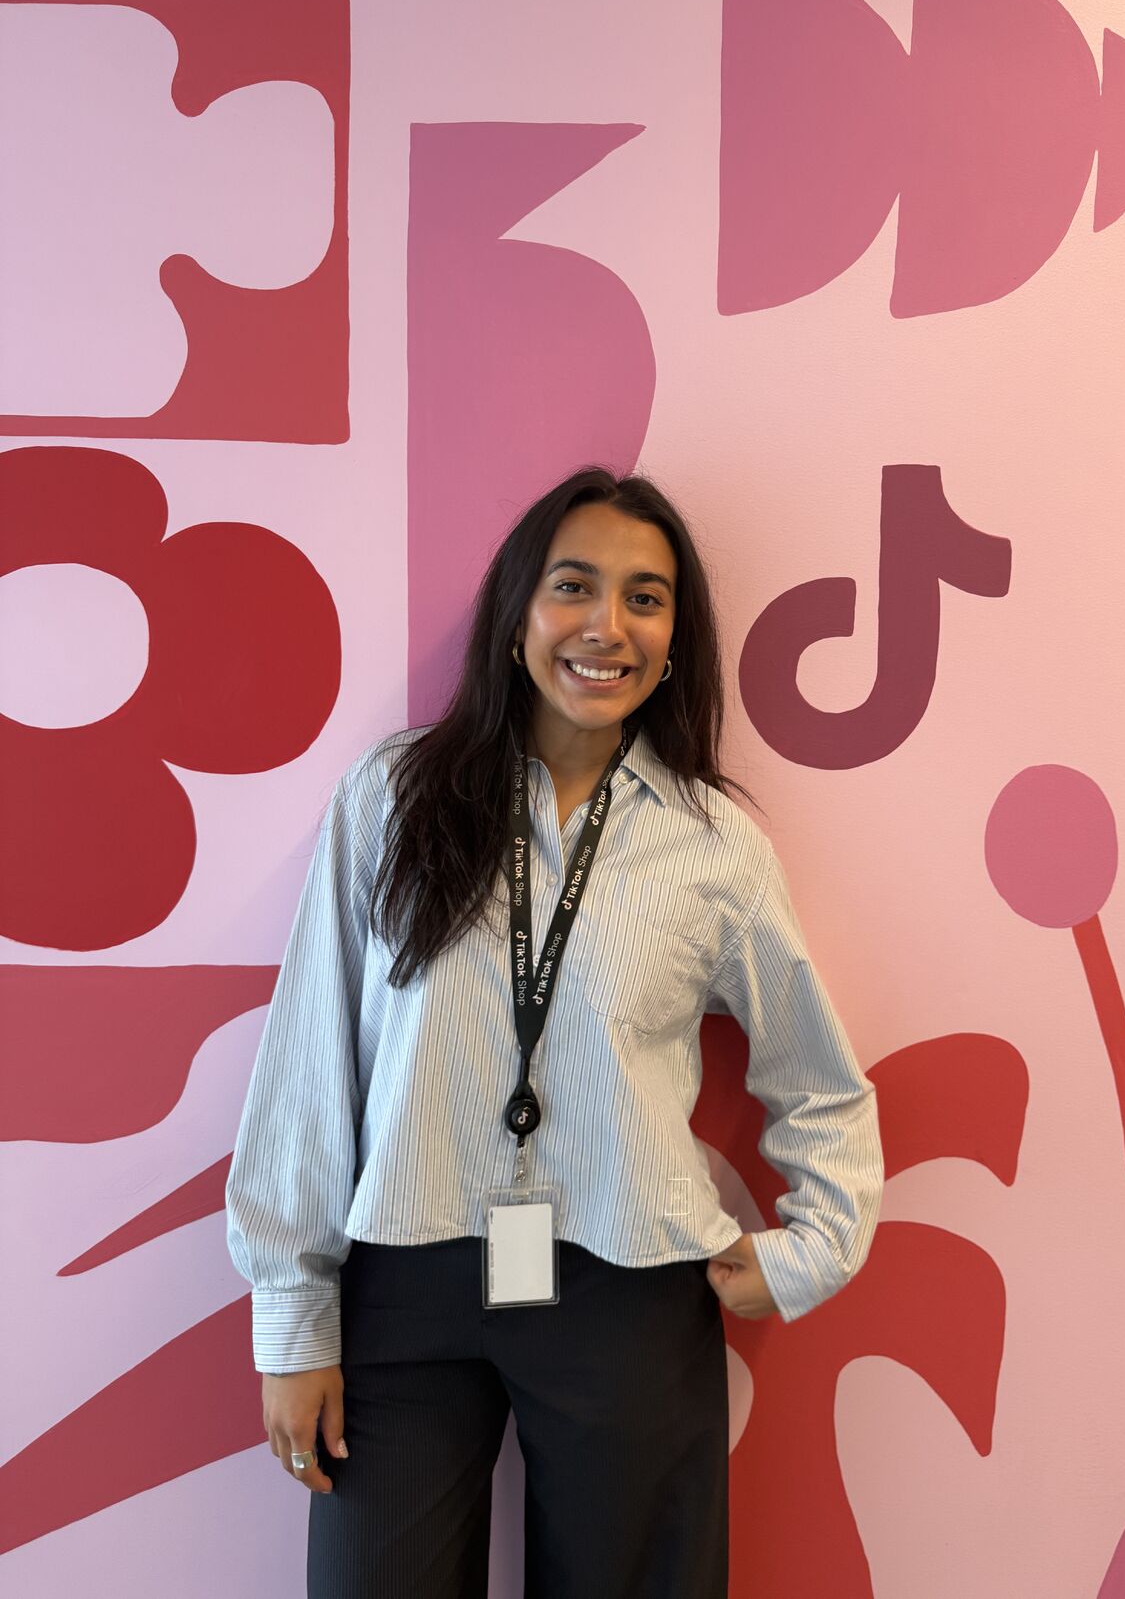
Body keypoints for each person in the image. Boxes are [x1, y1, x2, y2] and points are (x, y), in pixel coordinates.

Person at [225, 465, 884, 1598]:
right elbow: (308, 1067)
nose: (605, 626)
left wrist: (808, 1250)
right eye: (573, 586)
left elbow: (818, 1080)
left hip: (623, 1289)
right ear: (518, 612)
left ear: (675, 635)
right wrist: (292, 1322)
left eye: (646, 596)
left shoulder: (710, 843)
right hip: (406, 1284)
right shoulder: (390, 799)